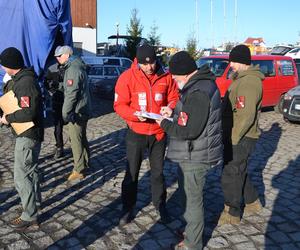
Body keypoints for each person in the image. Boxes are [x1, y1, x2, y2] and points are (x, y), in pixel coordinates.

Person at [156, 51, 223, 250]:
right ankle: (190, 230)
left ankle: (193, 243)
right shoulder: (197, 85)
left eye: (175, 76)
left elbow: (191, 130)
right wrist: (173, 113)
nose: (174, 80)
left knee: (193, 200)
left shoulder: (199, 91)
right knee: (187, 195)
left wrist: (164, 123)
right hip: (191, 152)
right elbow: (188, 115)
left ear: (184, 74)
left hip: (196, 154)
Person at [114, 43, 179, 225]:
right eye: (144, 64)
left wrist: (170, 108)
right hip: (136, 131)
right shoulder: (127, 77)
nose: (149, 67)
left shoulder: (166, 76)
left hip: (158, 133)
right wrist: (134, 115)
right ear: (138, 62)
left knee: (158, 173)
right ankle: (127, 207)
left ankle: (160, 205)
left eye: (152, 63)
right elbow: (119, 105)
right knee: (132, 173)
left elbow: (174, 96)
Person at [218, 44, 264, 225]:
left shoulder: (249, 82)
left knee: (230, 173)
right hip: (235, 134)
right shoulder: (241, 79)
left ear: (243, 62)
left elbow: (246, 116)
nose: (231, 65)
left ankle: (232, 213)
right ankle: (252, 202)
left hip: (240, 137)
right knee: (239, 171)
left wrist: (233, 139)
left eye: (234, 62)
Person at [0, 47, 44, 230]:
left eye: (3, 65)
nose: (2, 68)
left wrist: (7, 119)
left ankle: (29, 215)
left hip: (27, 134)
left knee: (21, 175)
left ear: (10, 65)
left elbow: (28, 112)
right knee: (31, 171)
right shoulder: (21, 79)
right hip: (29, 133)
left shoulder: (25, 82)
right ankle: (34, 203)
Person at [54, 45, 91, 181]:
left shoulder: (73, 69)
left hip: (77, 111)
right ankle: (85, 162)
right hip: (83, 108)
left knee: (76, 140)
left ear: (67, 55)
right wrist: (58, 87)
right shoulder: (76, 66)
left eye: (59, 56)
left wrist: (65, 113)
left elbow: (71, 94)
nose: (57, 59)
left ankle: (78, 169)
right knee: (82, 137)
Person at [44, 62, 65, 159]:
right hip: (57, 101)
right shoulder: (52, 69)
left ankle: (76, 147)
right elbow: (46, 82)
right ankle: (59, 147)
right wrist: (51, 92)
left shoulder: (71, 67)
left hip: (70, 101)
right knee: (57, 127)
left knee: (74, 126)